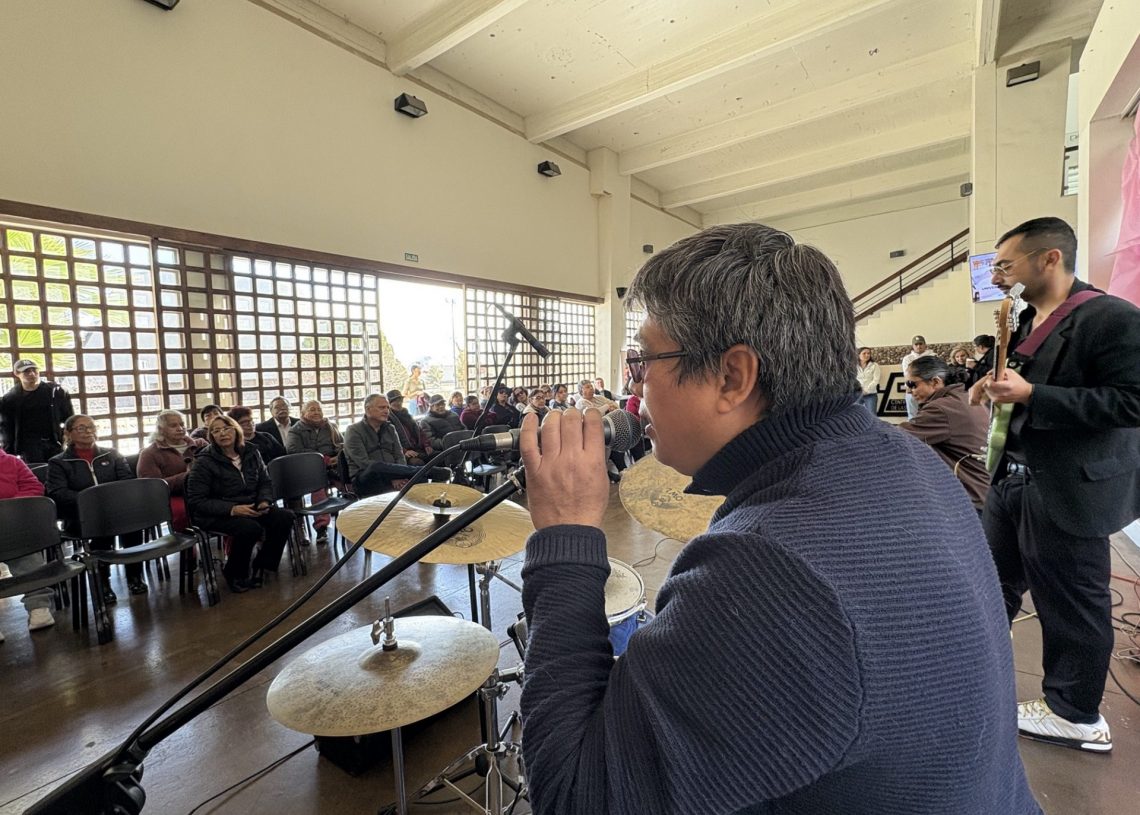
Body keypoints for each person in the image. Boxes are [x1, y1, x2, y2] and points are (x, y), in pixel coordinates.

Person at [517, 222, 1038, 813]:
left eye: (644, 361)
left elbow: (574, 797)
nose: (635, 386)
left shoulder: (771, 570)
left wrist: (565, 534)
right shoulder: (906, 458)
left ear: (732, 377)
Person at [969, 216, 1140, 753]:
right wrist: (988, 383)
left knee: (1071, 604)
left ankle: (1075, 714)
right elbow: (1018, 379)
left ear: (1049, 258)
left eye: (1005, 264)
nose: (997, 276)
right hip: (1012, 479)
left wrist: (1032, 396)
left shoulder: (1111, 318)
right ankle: (976, 676)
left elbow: (1131, 402)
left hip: (1067, 487)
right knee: (989, 584)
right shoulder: (1023, 319)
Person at [185, 414, 293, 593]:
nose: (222, 433)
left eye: (226, 429)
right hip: (216, 513)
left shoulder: (251, 452)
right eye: (216, 431)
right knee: (249, 528)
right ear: (211, 436)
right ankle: (235, 573)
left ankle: (263, 564)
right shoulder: (204, 461)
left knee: (284, 517)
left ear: (236, 431)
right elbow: (197, 501)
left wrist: (264, 501)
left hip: (250, 505)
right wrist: (233, 509)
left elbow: (265, 482)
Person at [47, 415, 144, 603]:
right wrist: (91, 501)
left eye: (91, 427)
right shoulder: (58, 462)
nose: (88, 431)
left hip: (114, 508)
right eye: (81, 428)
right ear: (68, 433)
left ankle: (134, 576)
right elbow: (58, 492)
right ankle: (103, 582)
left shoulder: (111, 454)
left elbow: (126, 481)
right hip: (80, 514)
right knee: (101, 526)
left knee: (133, 523)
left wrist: (109, 501)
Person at [898, 356, 989, 512]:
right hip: (984, 490)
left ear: (935, 382)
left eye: (912, 384)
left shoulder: (941, 409)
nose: (909, 390)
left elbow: (896, 438)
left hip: (970, 498)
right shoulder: (963, 397)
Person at [0, 448, 56, 640]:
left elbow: (33, 487)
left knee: (29, 558)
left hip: (14, 526)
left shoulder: (12, 462)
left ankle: (38, 607)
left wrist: (9, 508)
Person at [342, 395, 440, 497]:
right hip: (365, 477)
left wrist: (399, 475)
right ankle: (427, 470)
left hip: (393, 473)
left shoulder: (390, 428)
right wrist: (392, 476)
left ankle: (425, 476)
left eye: (387, 408)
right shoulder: (353, 430)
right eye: (382, 407)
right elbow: (364, 463)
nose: (386, 411)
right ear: (368, 409)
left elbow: (399, 455)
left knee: (420, 478)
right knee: (375, 466)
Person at [136, 409, 207, 532]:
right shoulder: (150, 453)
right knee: (182, 512)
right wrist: (187, 476)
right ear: (161, 429)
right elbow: (152, 487)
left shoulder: (200, 444)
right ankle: (186, 543)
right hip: (173, 497)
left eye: (182, 424)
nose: (180, 428)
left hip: (206, 491)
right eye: (173, 426)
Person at [285, 400, 342, 544]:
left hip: (333, 468)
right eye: (312, 409)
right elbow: (293, 451)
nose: (316, 412)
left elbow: (342, 445)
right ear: (303, 413)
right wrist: (323, 459)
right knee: (318, 487)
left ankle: (355, 520)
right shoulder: (295, 430)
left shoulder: (331, 426)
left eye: (319, 409)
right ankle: (321, 527)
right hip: (308, 470)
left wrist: (337, 457)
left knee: (351, 480)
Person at [0, 359, 74, 463]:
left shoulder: (55, 392)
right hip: (28, 447)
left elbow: (69, 418)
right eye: (26, 371)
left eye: (34, 370)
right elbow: (7, 428)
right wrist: (9, 453)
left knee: (58, 469)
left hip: (54, 442)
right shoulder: (10, 399)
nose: (32, 374)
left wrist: (70, 439)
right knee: (36, 470)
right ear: (17, 374)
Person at [386, 389, 434, 462]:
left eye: (400, 400)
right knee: (418, 463)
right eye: (395, 401)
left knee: (440, 456)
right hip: (404, 452)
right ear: (389, 404)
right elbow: (390, 441)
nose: (399, 403)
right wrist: (404, 451)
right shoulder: (388, 419)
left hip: (417, 448)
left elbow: (419, 431)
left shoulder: (407, 415)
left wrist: (426, 445)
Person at [900, 335, 935, 419]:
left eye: (920, 344)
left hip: (929, 387)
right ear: (913, 346)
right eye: (916, 344)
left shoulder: (933, 356)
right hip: (912, 387)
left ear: (925, 345)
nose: (919, 346)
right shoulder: (907, 358)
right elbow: (907, 374)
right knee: (912, 414)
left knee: (930, 413)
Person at [855, 347, 880, 413]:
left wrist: (866, 390)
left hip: (871, 394)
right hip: (857, 394)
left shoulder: (874, 365)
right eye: (864, 353)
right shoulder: (854, 366)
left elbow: (876, 380)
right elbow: (852, 379)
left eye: (868, 353)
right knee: (856, 415)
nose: (867, 355)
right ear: (858, 355)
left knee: (871, 414)